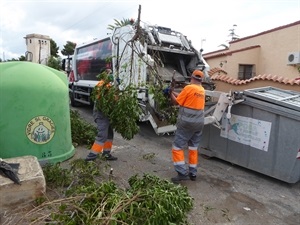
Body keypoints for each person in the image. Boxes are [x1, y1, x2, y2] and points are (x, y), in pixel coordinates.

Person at [169, 69, 205, 182]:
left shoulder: (189, 88)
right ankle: (193, 173)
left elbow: (176, 102)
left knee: (177, 147)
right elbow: (184, 97)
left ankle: (181, 172)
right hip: (199, 124)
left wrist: (169, 93)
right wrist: (173, 92)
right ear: (201, 80)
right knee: (193, 148)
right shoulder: (201, 90)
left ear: (191, 77)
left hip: (187, 124)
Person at [85, 69, 118, 161]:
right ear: (103, 74)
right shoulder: (101, 85)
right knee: (102, 135)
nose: (111, 75)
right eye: (108, 73)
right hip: (101, 113)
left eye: (111, 73)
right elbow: (104, 100)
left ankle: (106, 154)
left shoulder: (108, 85)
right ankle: (91, 156)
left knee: (109, 134)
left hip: (107, 113)